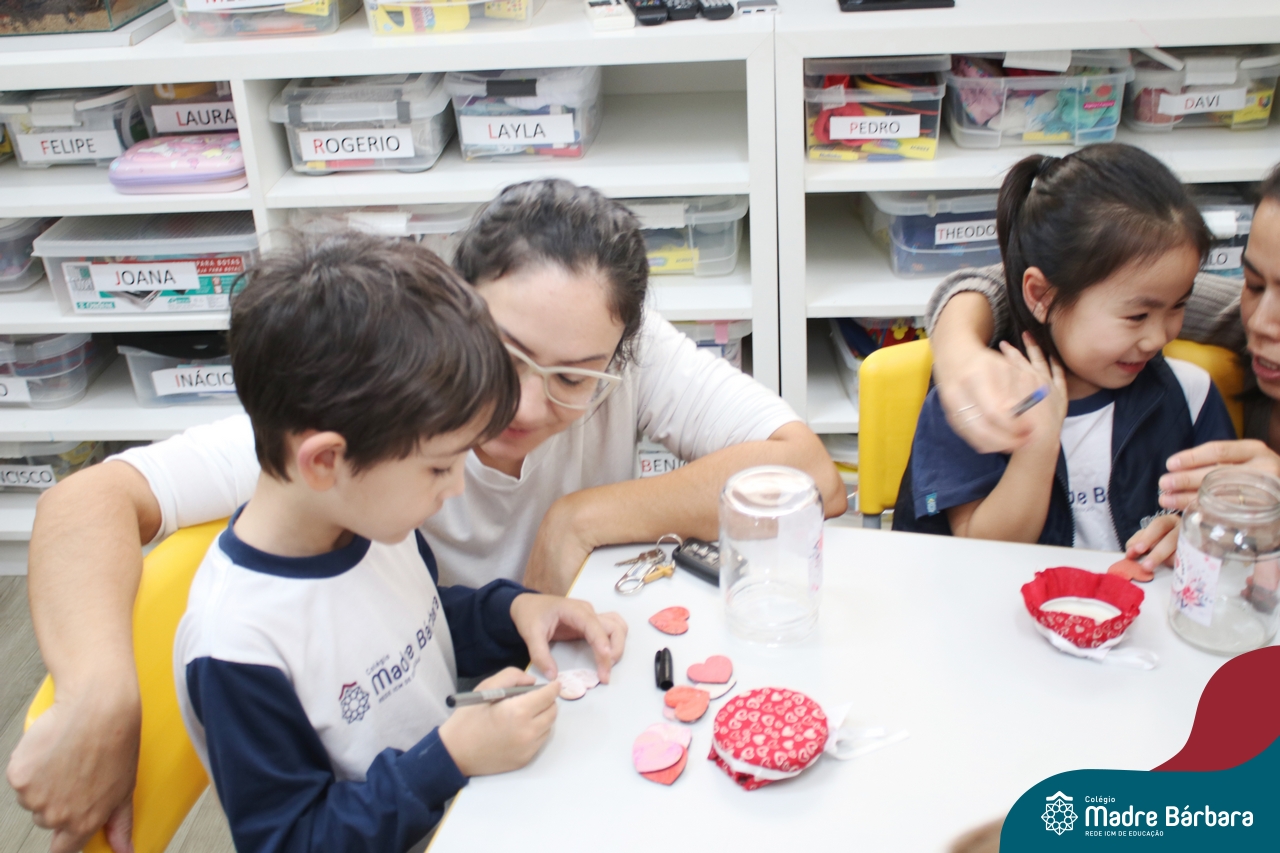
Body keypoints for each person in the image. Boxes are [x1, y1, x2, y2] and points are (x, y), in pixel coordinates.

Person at [10, 179, 845, 853]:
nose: (524, 405)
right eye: (506, 354)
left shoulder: (373, 522)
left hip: (474, 753)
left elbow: (808, 470)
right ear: (453, 307)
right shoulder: (354, 420)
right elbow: (89, 499)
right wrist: (101, 697)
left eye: (573, 378)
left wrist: (565, 538)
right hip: (439, 775)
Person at [190, 233, 625, 852]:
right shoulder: (238, 646)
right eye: (439, 466)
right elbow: (290, 840)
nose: (456, 488)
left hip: (464, 808)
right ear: (325, 461)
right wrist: (448, 758)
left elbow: (418, 623)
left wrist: (515, 611)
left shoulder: (369, 525)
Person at [927, 166, 1280, 568]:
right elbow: (1086, 277)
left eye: (1178, 305)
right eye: (1253, 284)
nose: (1159, 338)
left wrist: (1203, 533)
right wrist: (960, 347)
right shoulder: (980, 397)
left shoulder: (1190, 392)